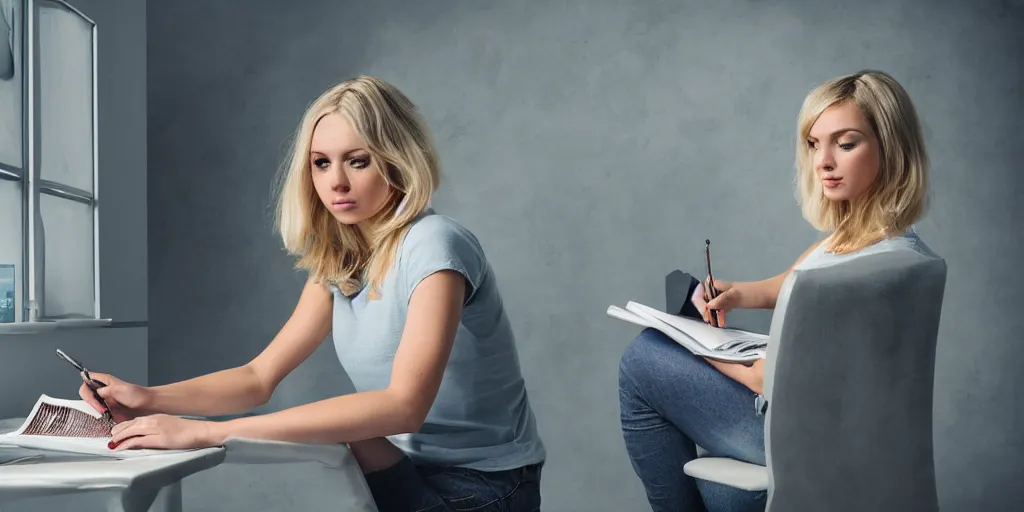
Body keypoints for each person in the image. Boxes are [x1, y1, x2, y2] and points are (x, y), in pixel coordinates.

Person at [78, 75, 546, 512]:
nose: (335, 181)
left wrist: (207, 434)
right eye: (321, 163)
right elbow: (258, 377)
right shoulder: (342, 257)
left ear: (398, 160)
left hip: (481, 486)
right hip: (393, 463)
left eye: (357, 160)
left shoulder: (435, 243)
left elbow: (404, 406)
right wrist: (147, 396)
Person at [617, 69, 938, 512]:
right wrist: (739, 293)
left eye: (845, 144)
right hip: (857, 436)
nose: (823, 161)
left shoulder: (850, 275)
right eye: (813, 143)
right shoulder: (885, 245)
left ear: (892, 147)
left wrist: (697, 345)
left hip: (802, 438)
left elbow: (765, 377)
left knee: (641, 360)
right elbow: (797, 281)